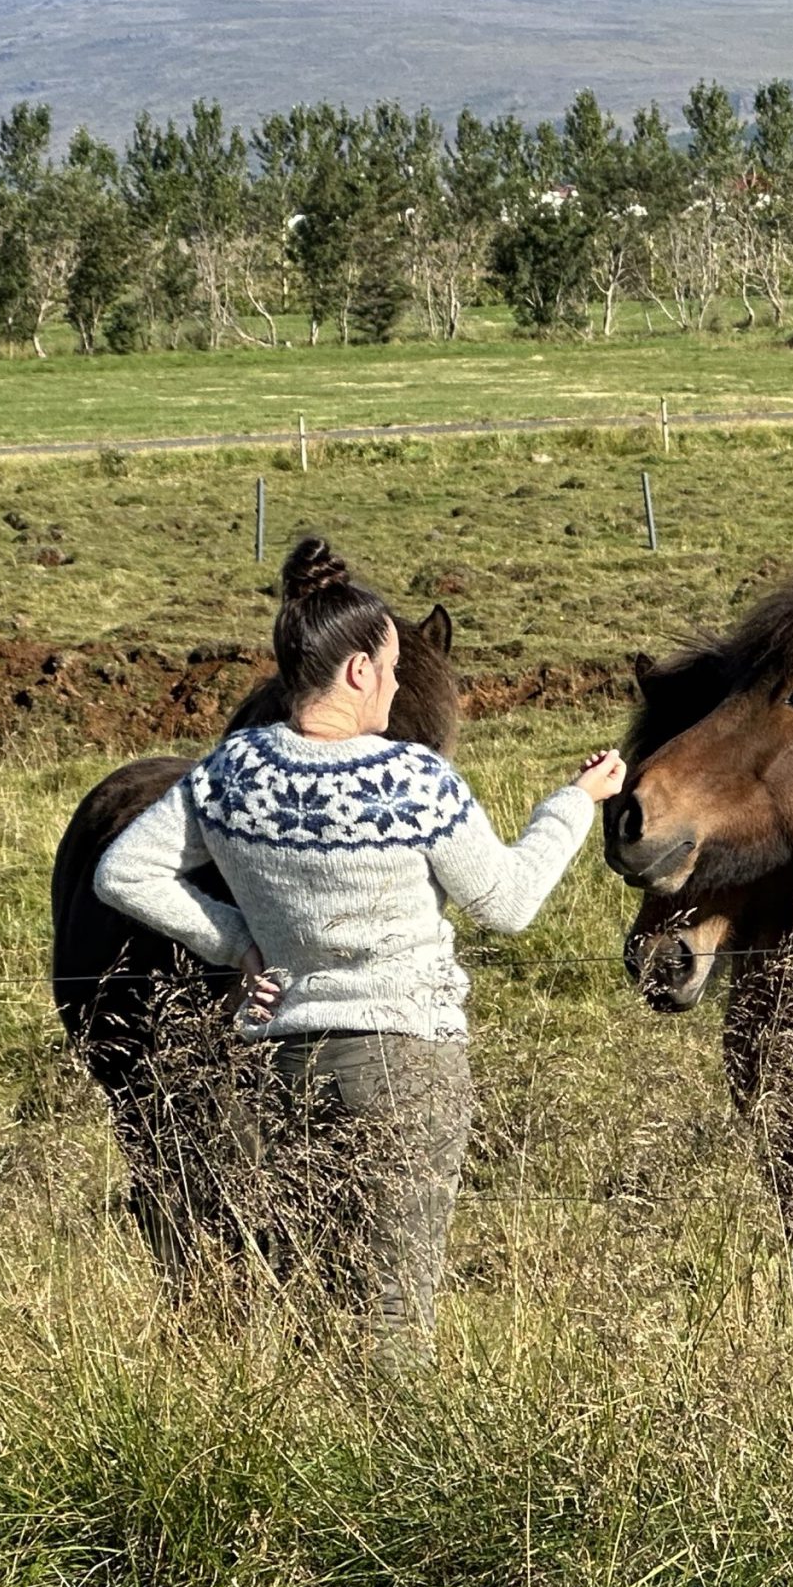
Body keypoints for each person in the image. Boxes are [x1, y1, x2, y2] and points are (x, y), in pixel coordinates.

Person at [94, 535, 624, 1340]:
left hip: (283, 1066)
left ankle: (316, 1452)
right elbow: (508, 903)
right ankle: (391, 1461)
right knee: (393, 1318)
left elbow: (122, 873)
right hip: (404, 1068)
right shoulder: (413, 781)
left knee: (310, 1299)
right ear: (356, 671)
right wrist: (574, 804)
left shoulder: (230, 770)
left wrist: (238, 942)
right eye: (392, 665)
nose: (399, 682)